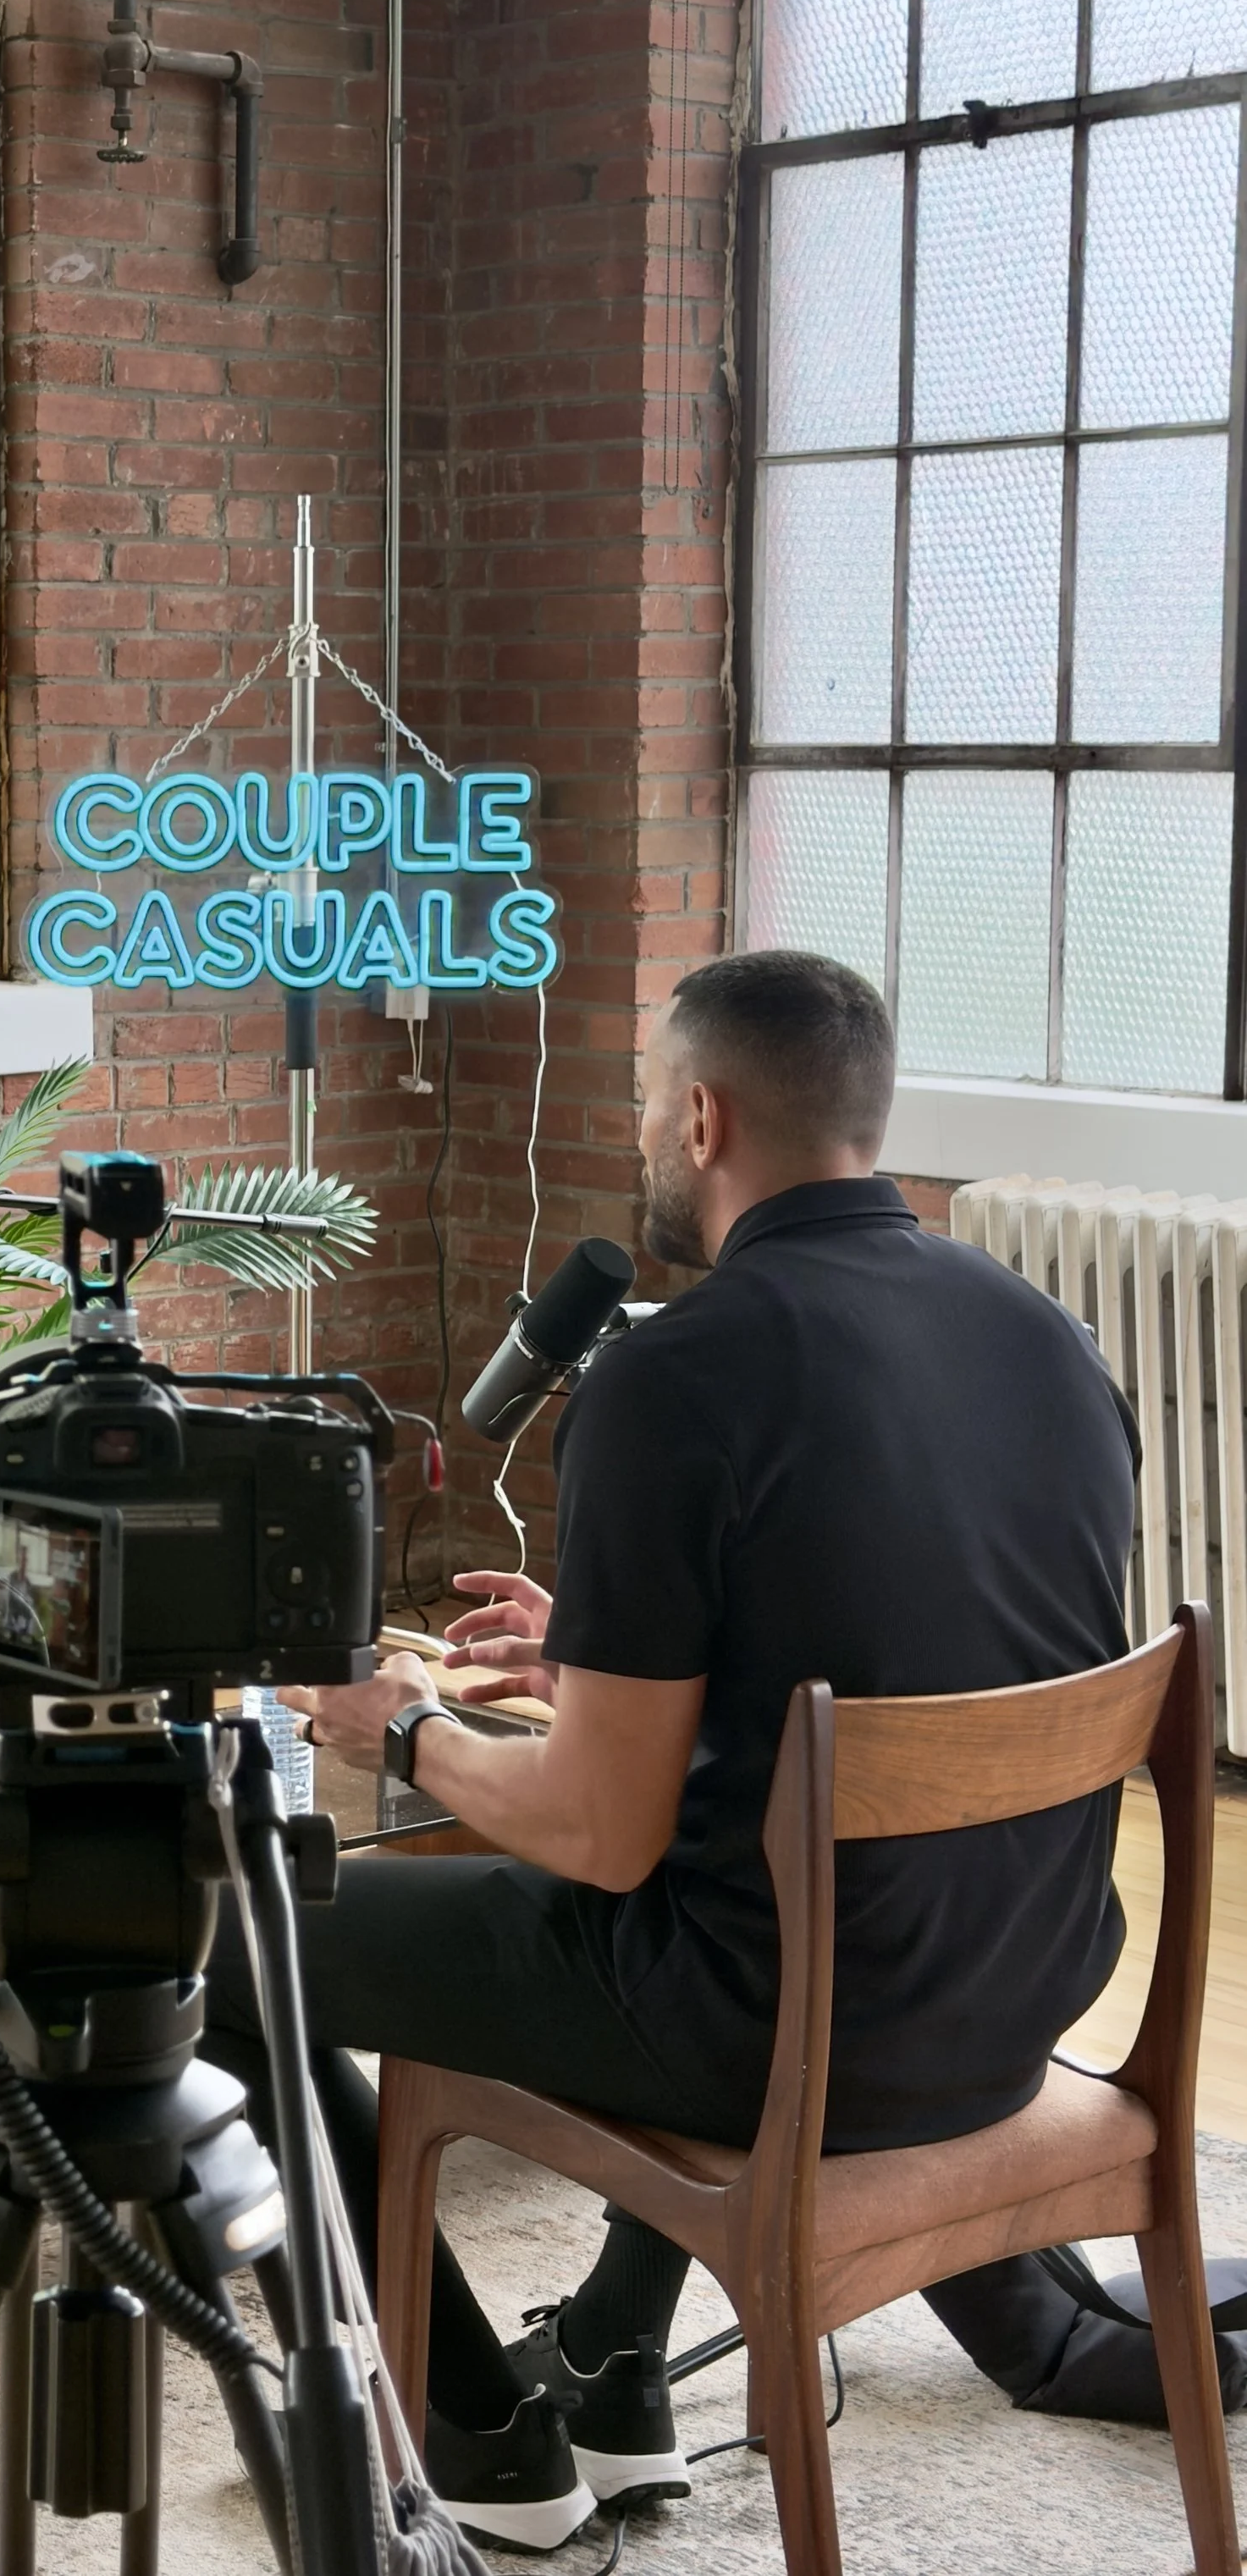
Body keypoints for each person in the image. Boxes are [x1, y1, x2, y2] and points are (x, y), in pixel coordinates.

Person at [200, 946, 1139, 2551]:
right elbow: (898, 1647)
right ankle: (617, 2363)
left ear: (701, 1118)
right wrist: (611, 1654)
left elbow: (600, 1840)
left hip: (779, 2038)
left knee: (222, 1941)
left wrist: (399, 1724)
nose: (643, 1132)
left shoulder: (669, 1376)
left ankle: (474, 2437)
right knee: (719, 1877)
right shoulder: (1044, 1335)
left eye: (647, 1101)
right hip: (1023, 1996)